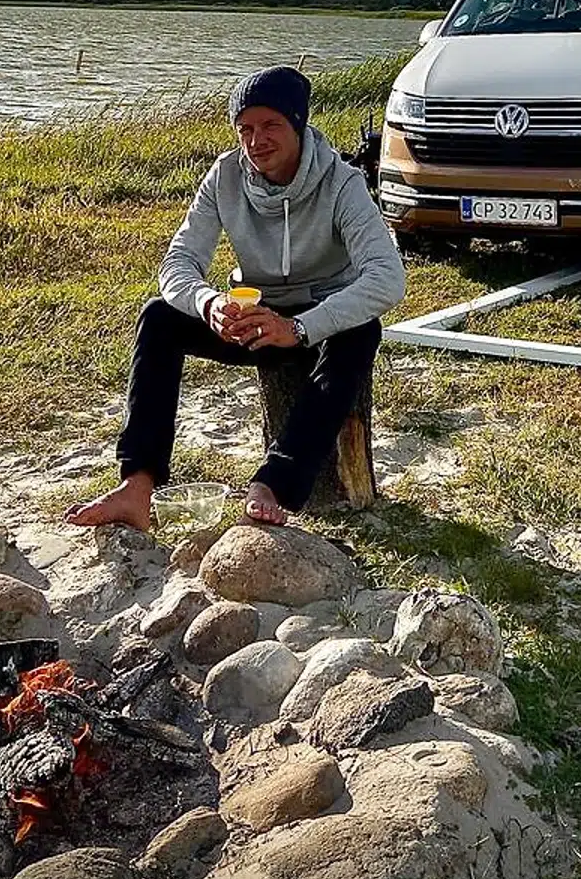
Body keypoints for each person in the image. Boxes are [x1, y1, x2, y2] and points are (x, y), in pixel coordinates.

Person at [65, 65, 406, 533]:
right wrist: (209, 303)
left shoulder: (341, 183)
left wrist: (300, 328)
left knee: (361, 332)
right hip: (254, 318)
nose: (256, 140)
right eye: (244, 128)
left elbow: (388, 278)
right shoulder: (224, 176)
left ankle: (274, 484)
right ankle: (137, 485)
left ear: (299, 125)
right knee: (159, 317)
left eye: (271, 125)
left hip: (319, 321)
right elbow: (178, 263)